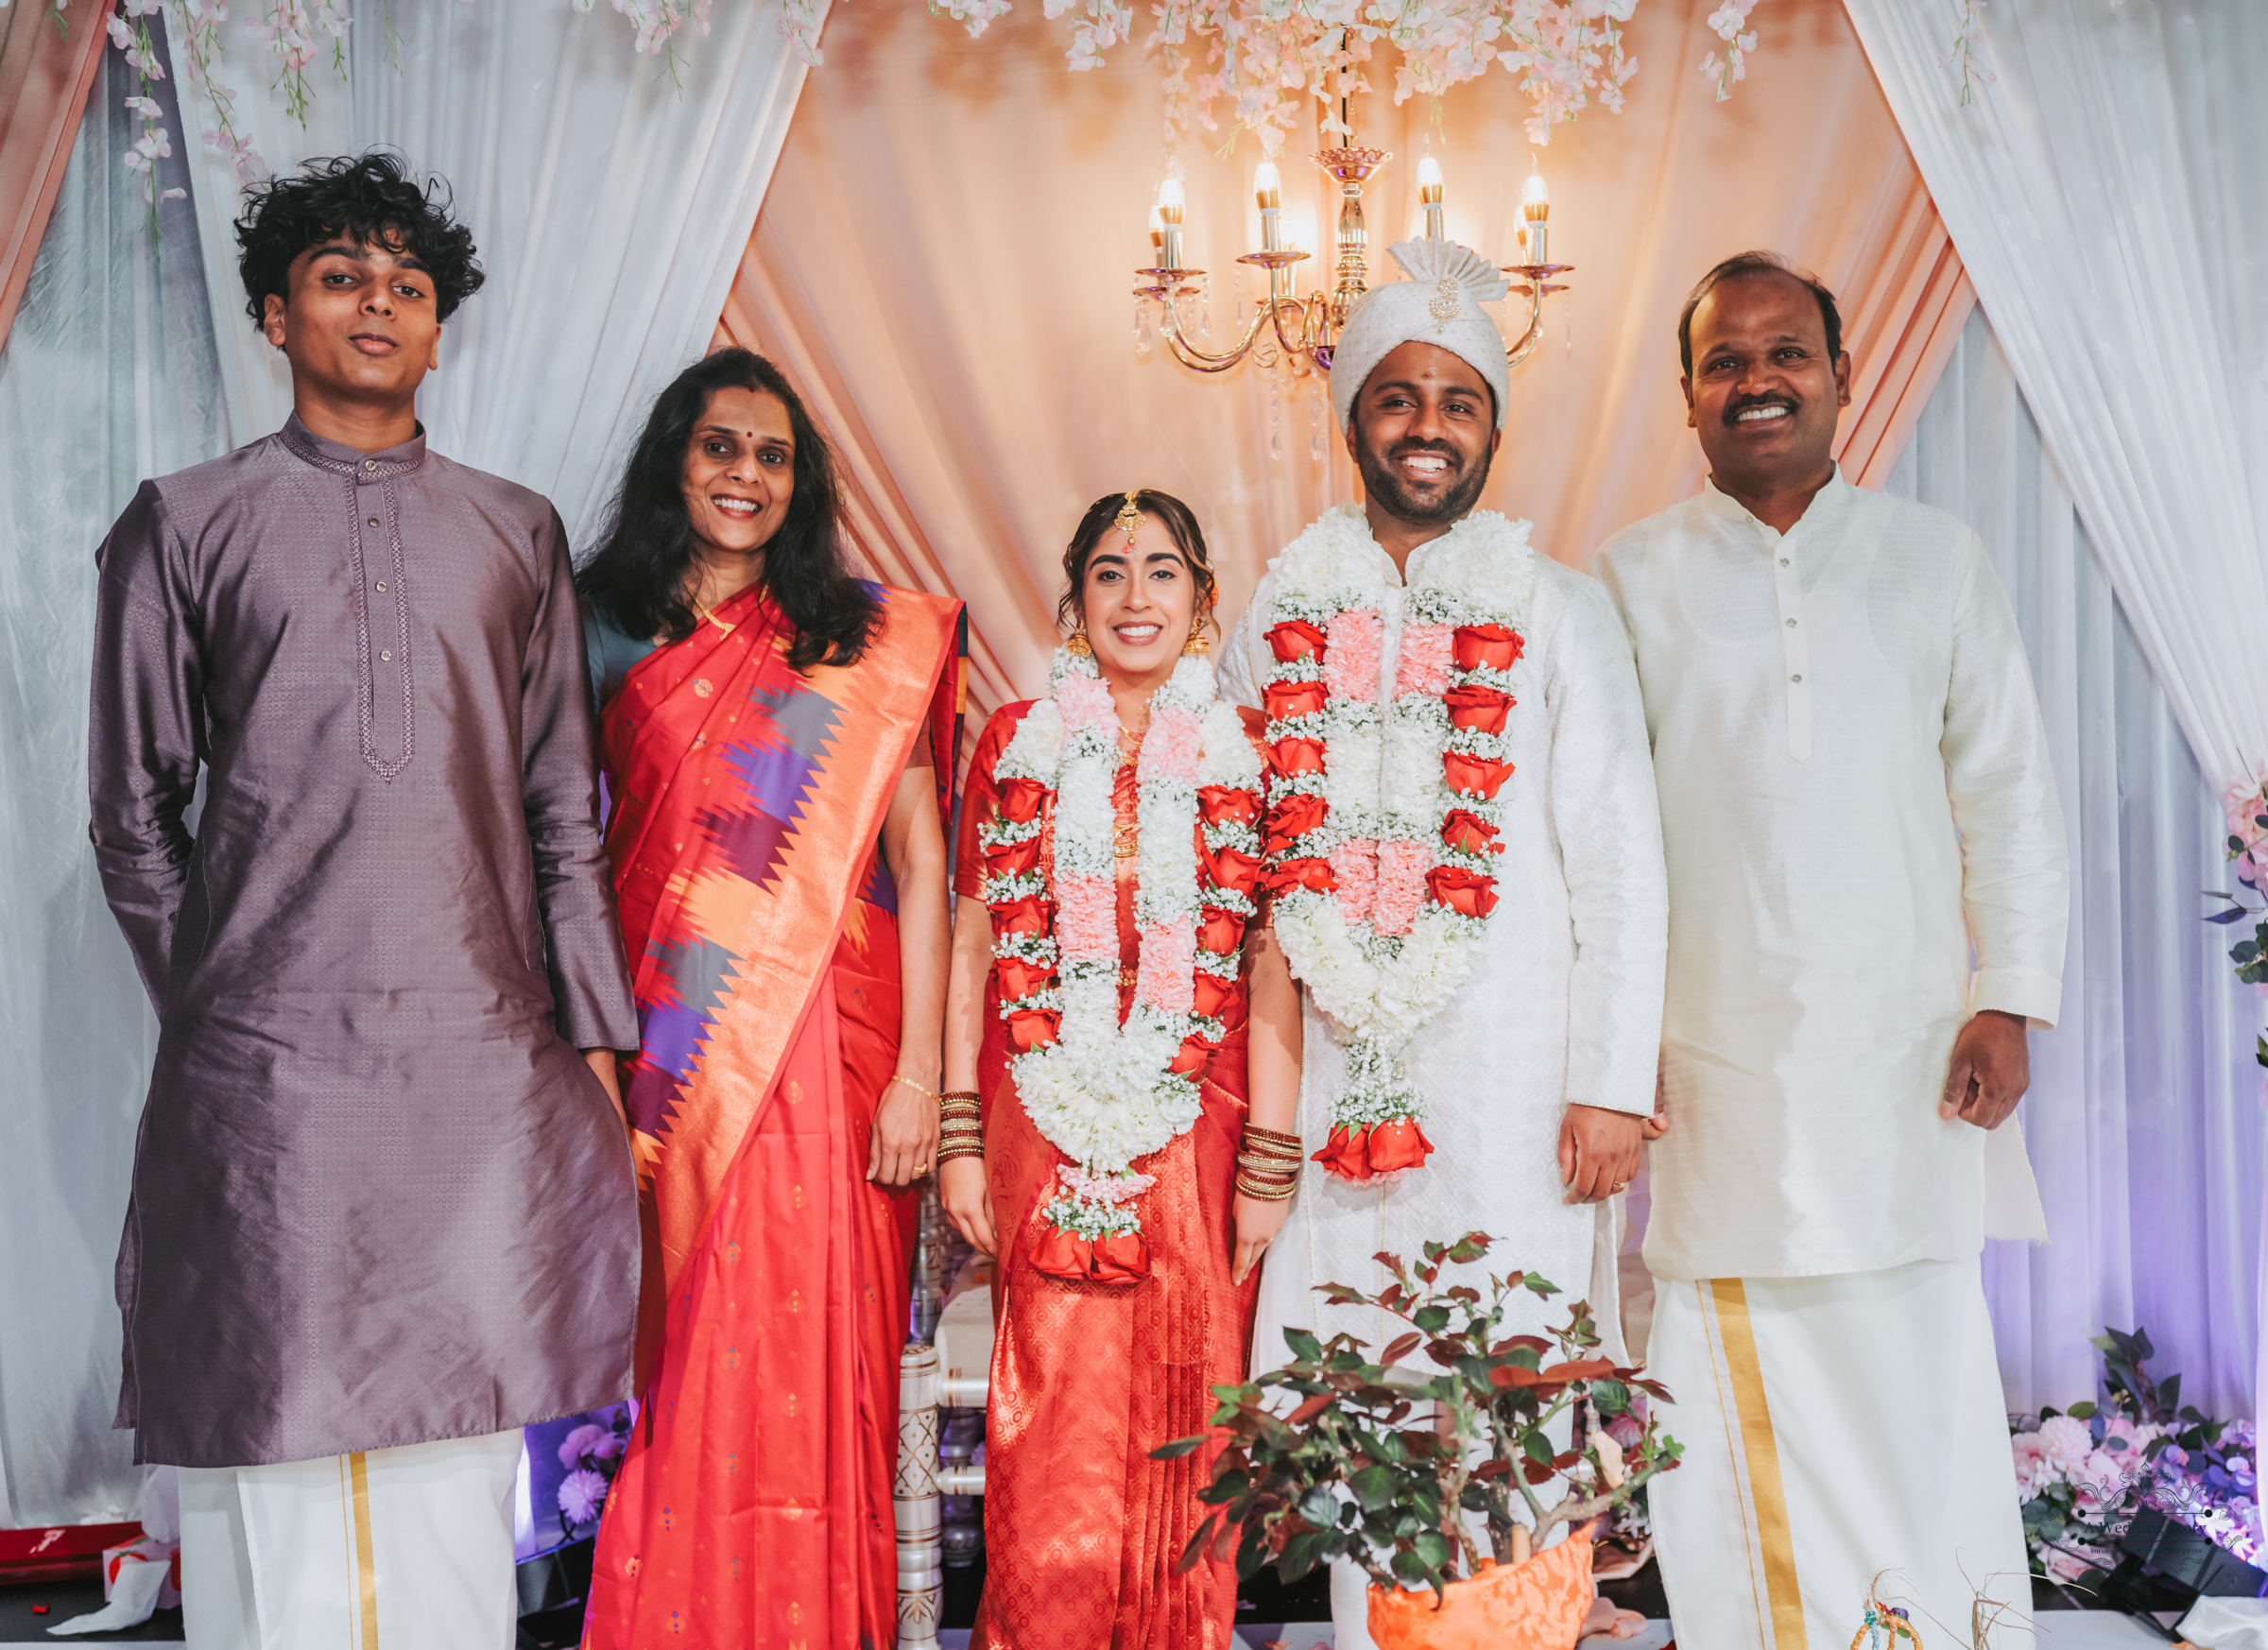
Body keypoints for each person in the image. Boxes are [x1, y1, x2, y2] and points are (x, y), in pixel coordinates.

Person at [86, 151, 639, 1649]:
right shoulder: (184, 522)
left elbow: (561, 812)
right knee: (275, 1420)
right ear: (277, 314)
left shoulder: (516, 531)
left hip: (480, 1059)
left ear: (441, 330)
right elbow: (132, 818)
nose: (377, 304)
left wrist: (593, 1038)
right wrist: (222, 1006)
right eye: (340, 278)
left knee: (459, 1434)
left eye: (408, 285)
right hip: (267, 1074)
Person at [1595, 251, 2069, 1649]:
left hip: (1907, 1056)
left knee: (1914, 1361)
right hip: (1718, 1067)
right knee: (1735, 1383)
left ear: (1844, 376)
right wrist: (1612, 1047)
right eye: (1727, 361)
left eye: (1787, 353)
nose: (1759, 381)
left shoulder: (1936, 560)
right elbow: (1602, 840)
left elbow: (2010, 793)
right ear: (1689, 394)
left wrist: (2010, 996)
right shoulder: (1629, 578)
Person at [1216, 236, 1670, 1650]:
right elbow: (1229, 845)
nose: (1428, 426)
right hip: (1339, 1088)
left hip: (1520, 1091)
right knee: (1359, 1386)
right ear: (1353, 419)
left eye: (1459, 401)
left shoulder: (1560, 609)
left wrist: (1610, 1082)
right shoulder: (1282, 610)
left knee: (1511, 1381)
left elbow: (1623, 858)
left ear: (1493, 431)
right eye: (1399, 397)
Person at [576, 347, 965, 1649]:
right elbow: (557, 845)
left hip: (841, 1061)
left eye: (773, 455)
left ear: (802, 484)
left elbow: (923, 862)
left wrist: (920, 1077)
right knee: (688, 1370)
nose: (746, 474)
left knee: (822, 1360)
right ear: (674, 460)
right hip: (670, 1060)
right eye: (721, 446)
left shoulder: (861, 638)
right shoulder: (596, 626)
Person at [936, 489, 1301, 1648]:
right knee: (1052, 1398)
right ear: (1074, 599)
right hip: (1040, 1110)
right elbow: (974, 941)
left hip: (1204, 1115)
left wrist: (1271, 1157)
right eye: (1108, 571)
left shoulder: (1250, 750)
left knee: (1195, 1394)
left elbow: (1273, 961)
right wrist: (956, 1132)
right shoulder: (1018, 739)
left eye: (1161, 571)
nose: (1134, 596)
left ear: (1203, 600)